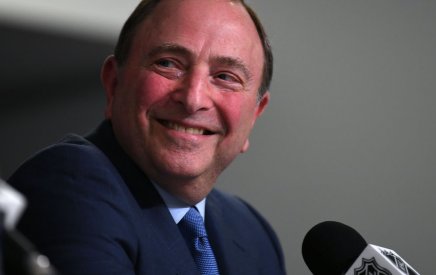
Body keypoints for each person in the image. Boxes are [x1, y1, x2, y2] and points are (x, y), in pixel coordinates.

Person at [8, 0, 286, 274]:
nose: (193, 99)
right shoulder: (69, 182)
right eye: (168, 63)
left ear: (254, 117)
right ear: (114, 84)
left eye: (225, 77)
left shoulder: (254, 235)